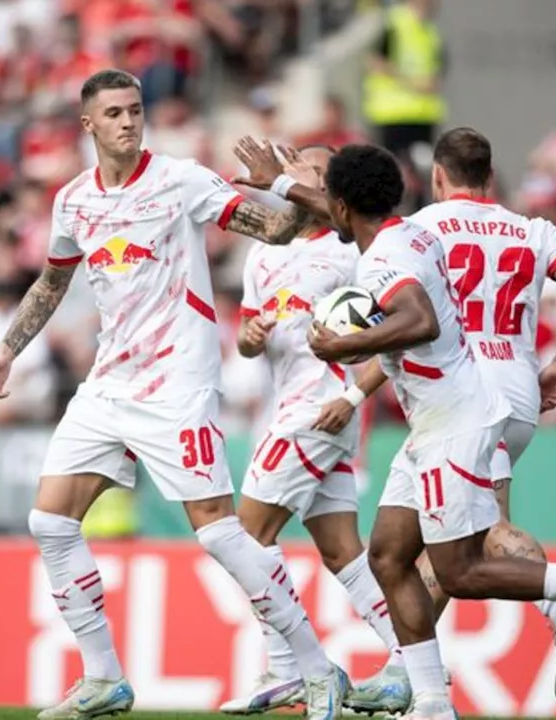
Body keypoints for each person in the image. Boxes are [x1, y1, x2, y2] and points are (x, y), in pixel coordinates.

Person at [233, 140, 556, 720]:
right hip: (457, 411)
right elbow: (341, 206)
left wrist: (344, 342)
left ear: (339, 207)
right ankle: (431, 702)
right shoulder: (408, 233)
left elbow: (419, 319)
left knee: (461, 570)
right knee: (387, 556)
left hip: (456, 420)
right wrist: (281, 185)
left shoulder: (388, 255)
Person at [0, 69, 350, 720]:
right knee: (50, 521)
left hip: (178, 382)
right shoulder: (73, 202)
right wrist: (9, 350)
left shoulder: (181, 179)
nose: (128, 121)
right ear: (88, 124)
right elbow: (50, 284)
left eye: (135, 109)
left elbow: (275, 231)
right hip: (109, 380)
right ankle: (103, 677)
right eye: (114, 113)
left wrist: (283, 190)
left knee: (218, 535)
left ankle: (316, 668)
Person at [396, 127, 556, 701]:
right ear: (490, 177)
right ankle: (405, 673)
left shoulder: (421, 228)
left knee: (485, 531)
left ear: (439, 177)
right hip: (517, 390)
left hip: (467, 396)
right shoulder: (531, 230)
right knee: (440, 544)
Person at [219, 144, 409, 716]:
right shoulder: (263, 258)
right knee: (343, 552)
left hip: (322, 411)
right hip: (286, 411)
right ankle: (414, 659)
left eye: (311, 171)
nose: (296, 174)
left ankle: (295, 668)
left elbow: (400, 335)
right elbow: (255, 337)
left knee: (243, 536)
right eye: (298, 165)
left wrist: (354, 396)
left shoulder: (353, 254)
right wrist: (249, 340)